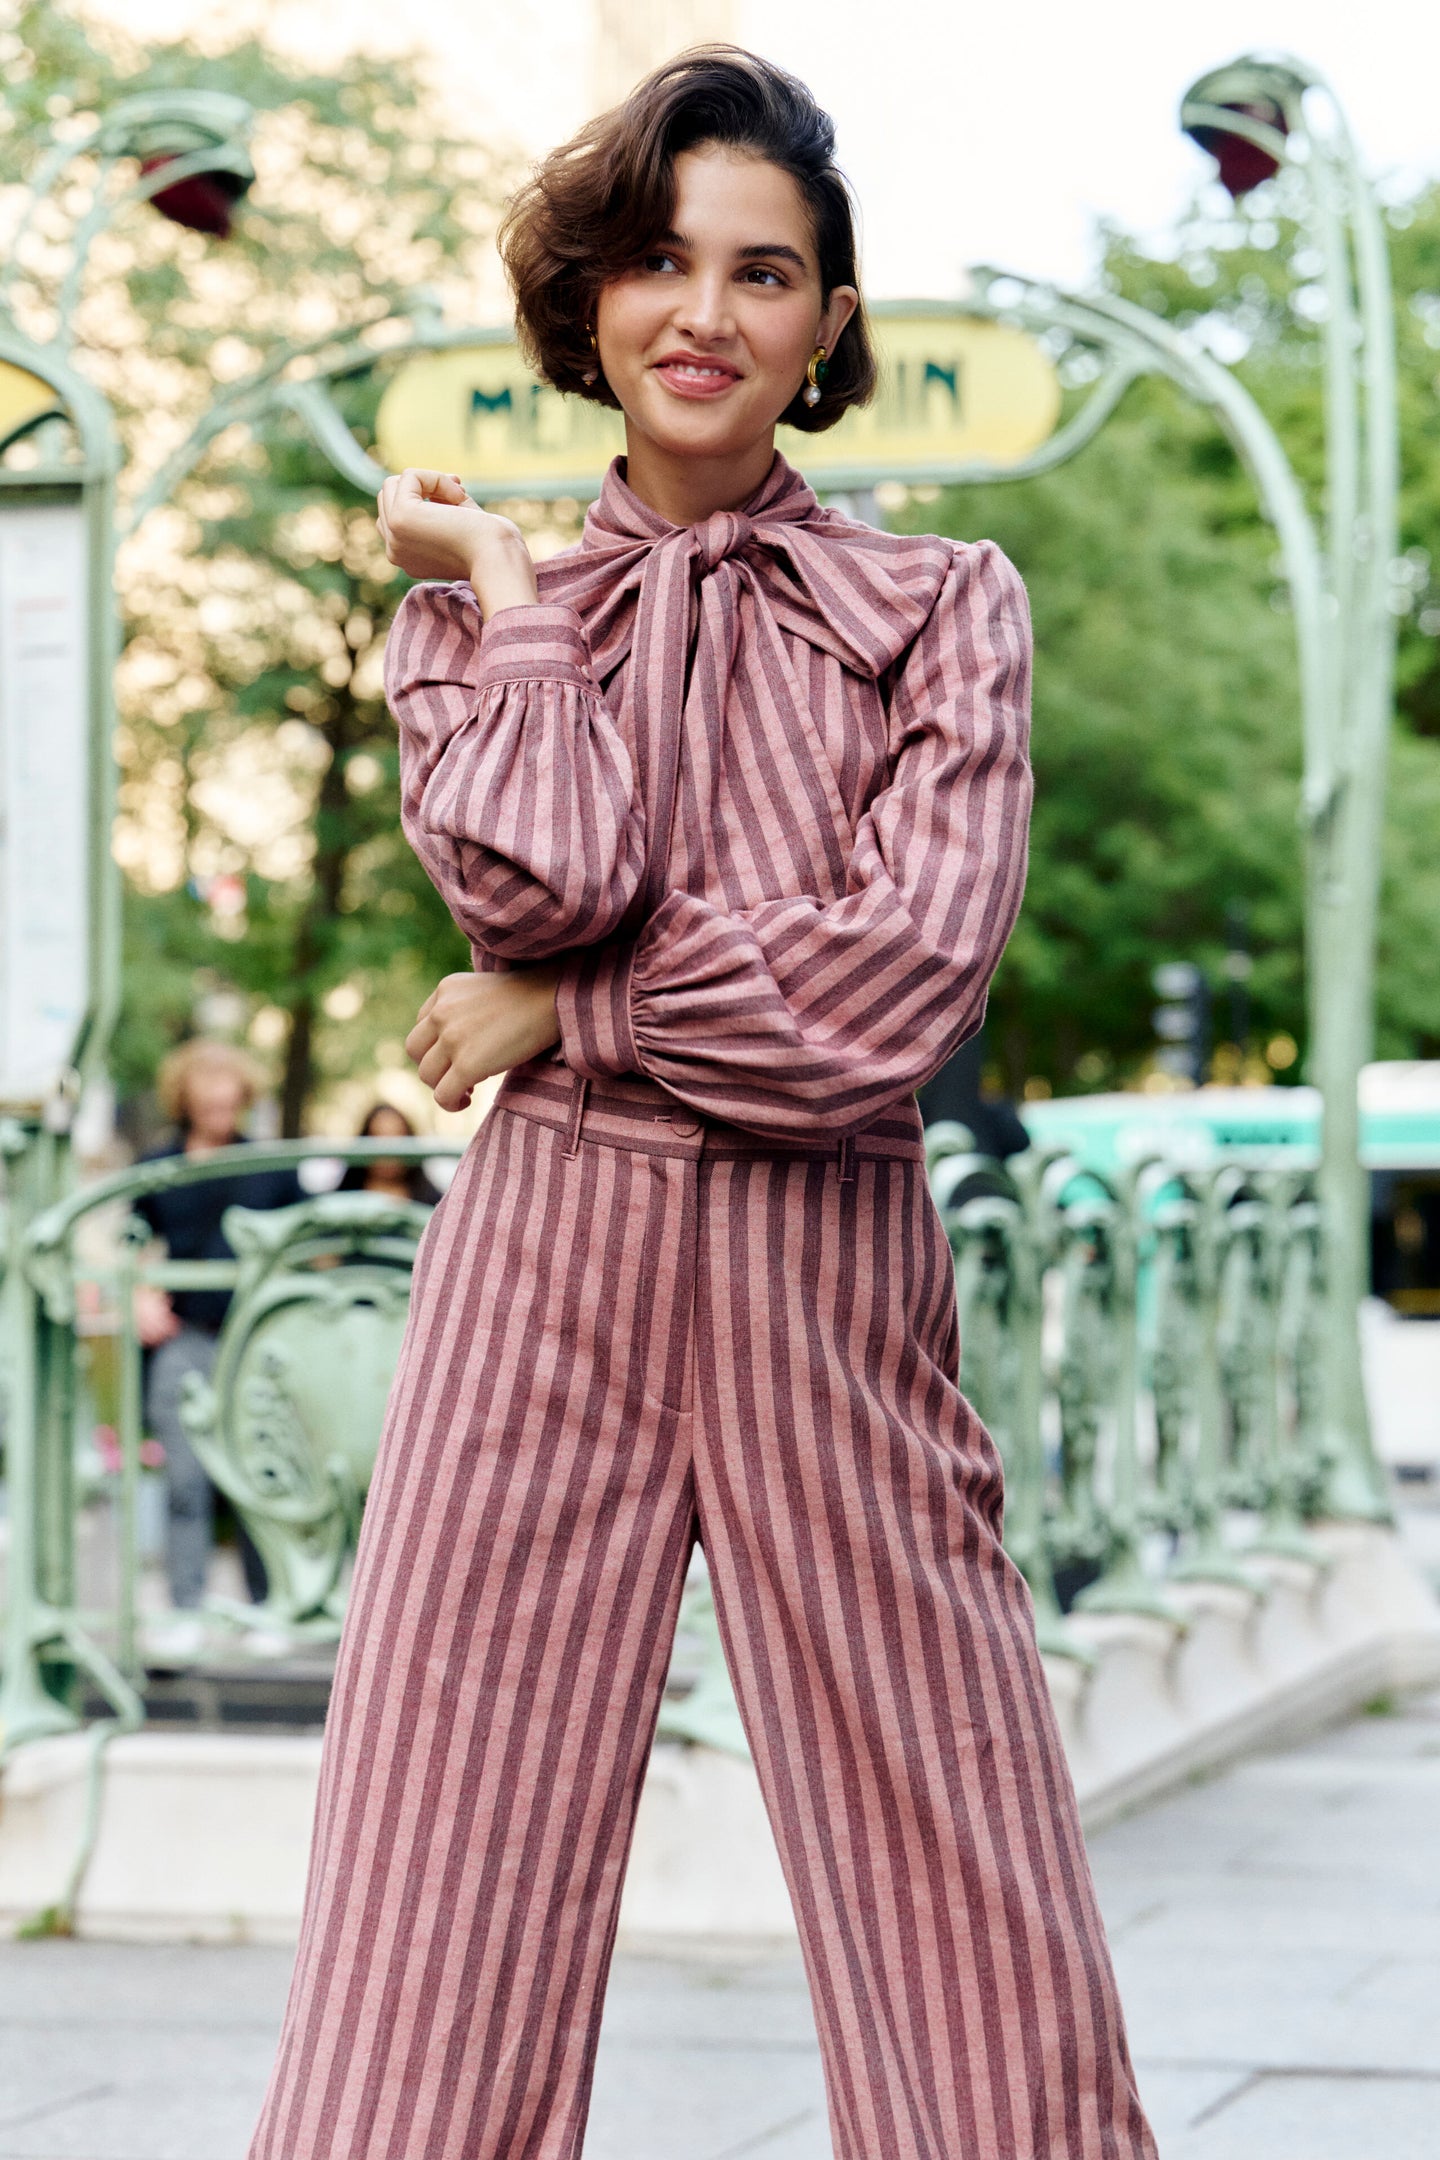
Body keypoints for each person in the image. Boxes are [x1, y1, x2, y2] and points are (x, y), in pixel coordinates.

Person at [249, 49, 1157, 2160]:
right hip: (539, 1276)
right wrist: (521, 603)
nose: (705, 313)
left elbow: (894, 991)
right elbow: (539, 877)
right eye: (660, 261)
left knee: (967, 1883)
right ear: (591, 300)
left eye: (762, 273)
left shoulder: (943, 607)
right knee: (433, 1888)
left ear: (828, 325)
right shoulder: (472, 622)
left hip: (823, 1276)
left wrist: (561, 1016)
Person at [135, 1039, 303, 1621]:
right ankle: (185, 1611)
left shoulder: (269, 1168)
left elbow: (305, 1244)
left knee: (259, 1480)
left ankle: (268, 1610)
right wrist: (138, 1294)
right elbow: (129, 1243)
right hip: (185, 1338)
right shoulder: (158, 1169)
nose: (219, 1105)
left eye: (228, 1095)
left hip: (254, 1344)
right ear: (186, 1097)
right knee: (184, 1481)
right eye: (207, 1094)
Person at [337, 1101, 444, 1207]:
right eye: (378, 1138)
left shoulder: (436, 1204)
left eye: (397, 1138)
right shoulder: (340, 1202)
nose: (388, 1151)